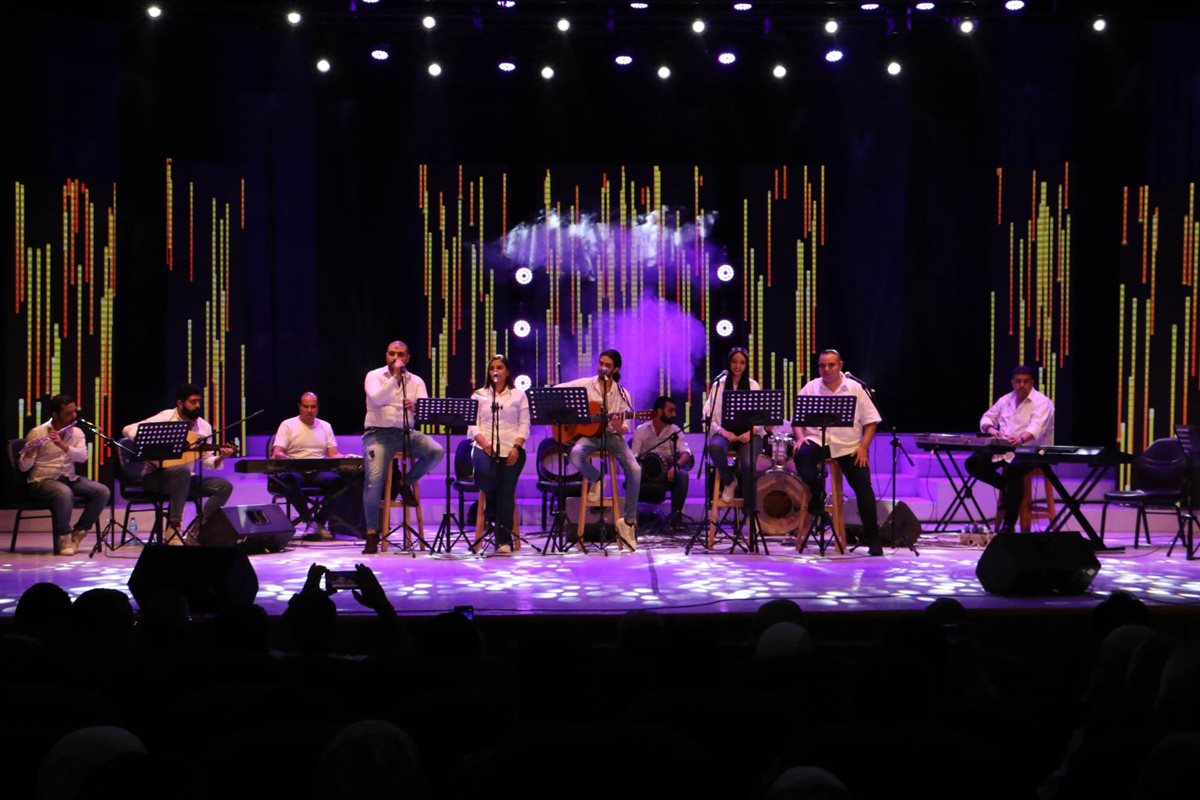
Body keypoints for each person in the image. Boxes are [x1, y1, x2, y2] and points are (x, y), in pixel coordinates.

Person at [792, 349, 884, 556]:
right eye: (822, 365)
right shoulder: (811, 387)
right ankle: (818, 493)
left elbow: (871, 422)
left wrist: (863, 447)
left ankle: (873, 540)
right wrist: (799, 437)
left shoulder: (855, 388)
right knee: (801, 457)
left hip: (848, 446)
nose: (826, 369)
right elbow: (797, 419)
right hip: (818, 440)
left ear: (840, 365)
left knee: (864, 489)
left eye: (831, 365)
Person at [123, 384, 235, 545]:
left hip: (186, 478)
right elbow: (128, 429)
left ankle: (198, 528)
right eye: (193, 402)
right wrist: (157, 439)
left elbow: (206, 460)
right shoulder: (166, 417)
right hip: (156, 477)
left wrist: (220, 458)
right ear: (180, 403)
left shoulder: (204, 427)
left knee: (223, 486)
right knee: (182, 471)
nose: (197, 405)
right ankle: (174, 527)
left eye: (199, 401)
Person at [361, 340, 445, 554]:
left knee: (436, 451)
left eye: (400, 354)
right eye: (392, 354)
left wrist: (415, 407)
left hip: (406, 433)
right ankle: (372, 532)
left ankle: (403, 482)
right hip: (377, 434)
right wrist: (395, 378)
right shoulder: (374, 376)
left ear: (407, 358)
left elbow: (426, 411)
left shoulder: (416, 381)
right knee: (373, 481)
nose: (395, 358)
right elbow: (376, 399)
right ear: (386, 355)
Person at [556, 349, 640, 549]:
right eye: (601, 363)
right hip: (590, 436)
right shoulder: (586, 384)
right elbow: (557, 390)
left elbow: (626, 428)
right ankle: (597, 478)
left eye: (607, 365)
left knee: (635, 469)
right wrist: (570, 415)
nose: (602, 367)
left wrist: (619, 426)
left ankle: (628, 522)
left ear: (616, 369)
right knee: (576, 454)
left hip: (612, 436)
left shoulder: (622, 394)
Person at [18, 393, 110, 556]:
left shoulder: (77, 433)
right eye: (68, 413)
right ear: (55, 415)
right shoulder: (37, 433)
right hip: (42, 480)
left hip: (69, 477)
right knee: (64, 493)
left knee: (102, 491)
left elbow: (82, 457)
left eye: (74, 411)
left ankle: (79, 532)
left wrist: (62, 445)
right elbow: (24, 468)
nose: (74, 416)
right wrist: (30, 453)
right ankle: (64, 537)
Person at [965, 364, 1055, 532]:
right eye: (1018, 381)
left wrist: (1020, 439)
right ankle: (1006, 489)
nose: (1022, 385)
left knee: (1014, 471)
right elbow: (987, 417)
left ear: (1032, 382)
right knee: (973, 463)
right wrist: (992, 430)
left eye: (1026, 381)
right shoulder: (1006, 400)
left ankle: (1009, 524)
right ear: (1013, 382)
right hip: (1006, 449)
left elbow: (1036, 428)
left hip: (1033, 452)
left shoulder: (1042, 402)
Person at [468, 354, 530, 554]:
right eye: (492, 367)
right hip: (483, 448)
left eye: (500, 367)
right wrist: (485, 444)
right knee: (485, 474)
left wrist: (516, 448)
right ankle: (493, 514)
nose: (495, 371)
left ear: (507, 372)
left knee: (506, 490)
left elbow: (524, 424)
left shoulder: (518, 395)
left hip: (512, 449)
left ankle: (503, 540)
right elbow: (472, 425)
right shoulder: (479, 395)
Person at [271, 392, 347, 541]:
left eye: (313, 407)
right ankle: (309, 521)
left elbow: (334, 454)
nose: (309, 410)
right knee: (288, 480)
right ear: (299, 407)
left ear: (318, 407)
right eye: (306, 406)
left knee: (338, 482)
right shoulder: (288, 425)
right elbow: (277, 453)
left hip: (319, 471)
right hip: (296, 470)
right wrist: (289, 459)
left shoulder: (325, 426)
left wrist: (346, 457)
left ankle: (319, 522)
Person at [705, 346, 765, 508]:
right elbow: (707, 414)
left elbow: (761, 416)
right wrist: (722, 432)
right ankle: (729, 481)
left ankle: (749, 512)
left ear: (746, 365)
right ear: (729, 363)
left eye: (742, 362)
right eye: (734, 362)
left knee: (748, 464)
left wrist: (751, 432)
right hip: (726, 434)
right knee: (715, 447)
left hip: (750, 435)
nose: (738, 366)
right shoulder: (718, 385)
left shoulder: (753, 385)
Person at [631, 395, 694, 526]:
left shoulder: (675, 430)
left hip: (667, 473)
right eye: (670, 411)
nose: (674, 414)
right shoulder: (641, 430)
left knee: (682, 476)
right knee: (633, 473)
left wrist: (676, 466)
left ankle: (676, 521)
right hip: (646, 473)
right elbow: (634, 455)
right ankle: (631, 521)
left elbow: (686, 452)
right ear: (659, 411)